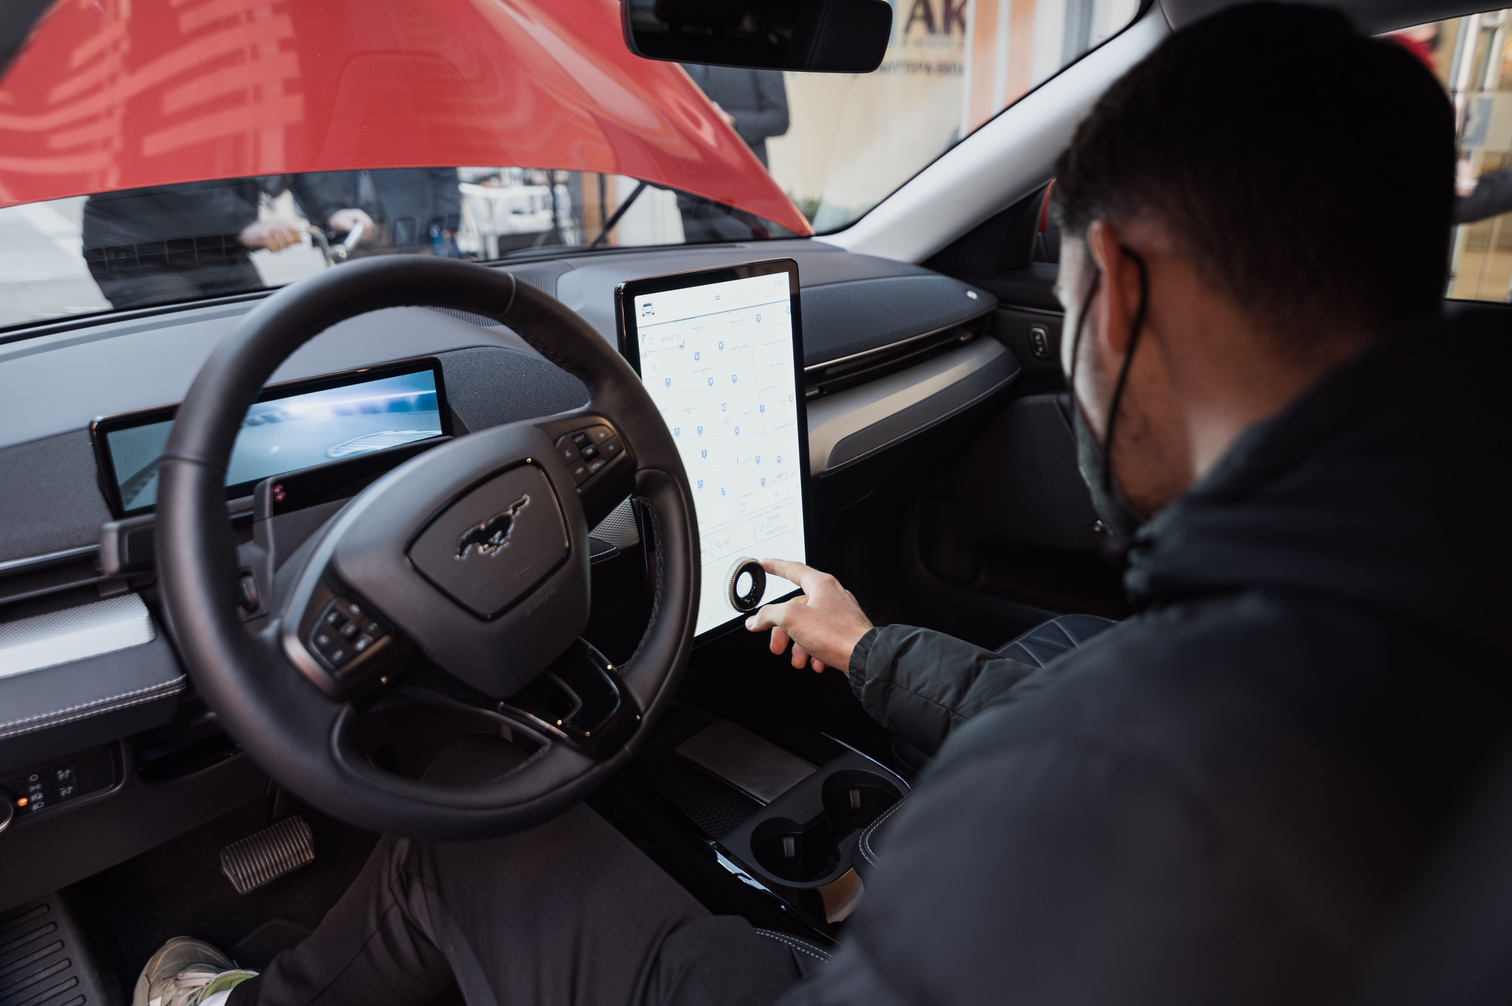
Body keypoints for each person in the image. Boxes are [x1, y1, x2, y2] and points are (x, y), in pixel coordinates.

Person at [135, 5, 1512, 1006]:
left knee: (461, 839)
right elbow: (1082, 690)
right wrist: (863, 645)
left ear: (1122, 287)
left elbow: (1083, 743)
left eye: (1073, 301)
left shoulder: (1108, 791)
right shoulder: (1391, 596)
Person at [82, 176, 370, 311]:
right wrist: (240, 222)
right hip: (142, 248)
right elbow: (169, 162)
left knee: (254, 339)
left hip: (216, 243)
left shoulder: (269, 87)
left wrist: (331, 210)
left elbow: (292, 143)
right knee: (178, 349)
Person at [677, 64, 790, 241]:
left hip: (744, 202)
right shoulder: (673, 54)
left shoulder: (763, 52)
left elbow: (780, 118)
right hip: (693, 197)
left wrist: (732, 122)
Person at [316, 168, 463, 256]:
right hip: (349, 233)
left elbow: (443, 170)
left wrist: (448, 219)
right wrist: (325, 216)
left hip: (416, 229)